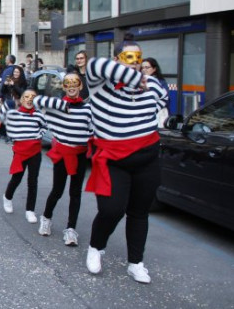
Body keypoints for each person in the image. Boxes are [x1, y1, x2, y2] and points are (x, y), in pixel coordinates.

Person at [84, 34, 168, 284]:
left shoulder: (152, 85)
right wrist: (133, 77)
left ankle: (135, 262)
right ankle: (95, 247)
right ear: (117, 60)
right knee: (111, 210)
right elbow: (93, 65)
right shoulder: (100, 84)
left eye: (138, 59)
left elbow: (161, 107)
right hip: (113, 160)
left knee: (139, 212)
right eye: (128, 58)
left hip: (147, 158)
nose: (134, 63)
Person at [34, 73, 92, 246]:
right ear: (64, 87)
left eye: (75, 83)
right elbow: (37, 101)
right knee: (57, 190)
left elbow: (92, 130)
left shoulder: (88, 109)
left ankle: (71, 229)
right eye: (68, 84)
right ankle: (46, 218)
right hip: (61, 154)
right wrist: (63, 104)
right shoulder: (57, 106)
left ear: (81, 86)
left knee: (75, 193)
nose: (72, 86)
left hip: (79, 155)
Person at [0, 88, 47, 224]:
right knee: (17, 178)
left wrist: (39, 135)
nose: (29, 100)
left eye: (33, 97)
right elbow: (0, 121)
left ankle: (30, 210)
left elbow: (44, 126)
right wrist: (8, 104)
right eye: (26, 97)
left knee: (33, 180)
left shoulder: (38, 115)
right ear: (22, 99)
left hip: (35, 150)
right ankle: (7, 197)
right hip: (20, 150)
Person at [141, 57, 170, 127]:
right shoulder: (139, 81)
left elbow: (165, 99)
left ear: (154, 69)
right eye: (142, 67)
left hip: (158, 114)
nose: (144, 70)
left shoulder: (160, 82)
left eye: (147, 67)